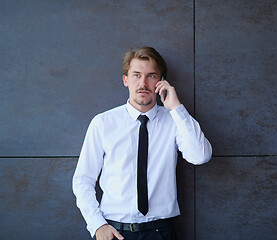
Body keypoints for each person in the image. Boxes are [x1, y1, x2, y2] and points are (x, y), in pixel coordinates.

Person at [72, 46, 212, 240]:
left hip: (160, 232)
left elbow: (201, 156)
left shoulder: (175, 120)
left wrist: (177, 108)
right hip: (114, 232)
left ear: (161, 82)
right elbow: (82, 180)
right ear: (125, 80)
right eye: (136, 75)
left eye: (151, 76)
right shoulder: (103, 123)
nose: (143, 83)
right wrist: (97, 225)